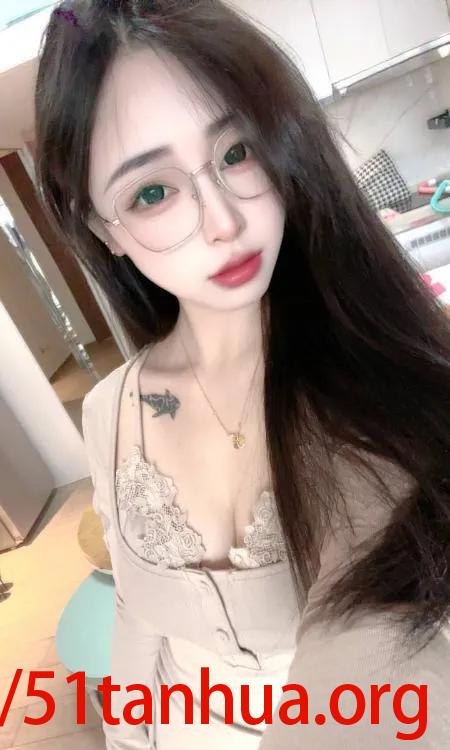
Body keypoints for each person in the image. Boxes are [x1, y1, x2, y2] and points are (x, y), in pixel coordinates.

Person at [34, 1, 450, 747]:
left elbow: (385, 641)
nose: (224, 220)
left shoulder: (374, 372)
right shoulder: (109, 411)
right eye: (153, 192)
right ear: (103, 230)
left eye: (237, 152)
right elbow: (135, 612)